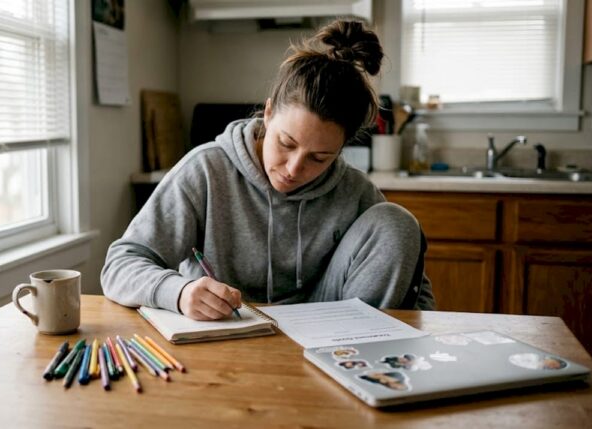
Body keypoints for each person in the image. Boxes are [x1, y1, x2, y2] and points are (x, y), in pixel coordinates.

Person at [101, 19, 435, 320]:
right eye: (287, 143)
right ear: (269, 112)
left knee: (397, 223)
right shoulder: (205, 170)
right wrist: (179, 292)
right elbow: (119, 265)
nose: (293, 169)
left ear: (341, 148)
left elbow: (414, 284)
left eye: (319, 158)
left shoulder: (353, 190)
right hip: (226, 328)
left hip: (327, 334)